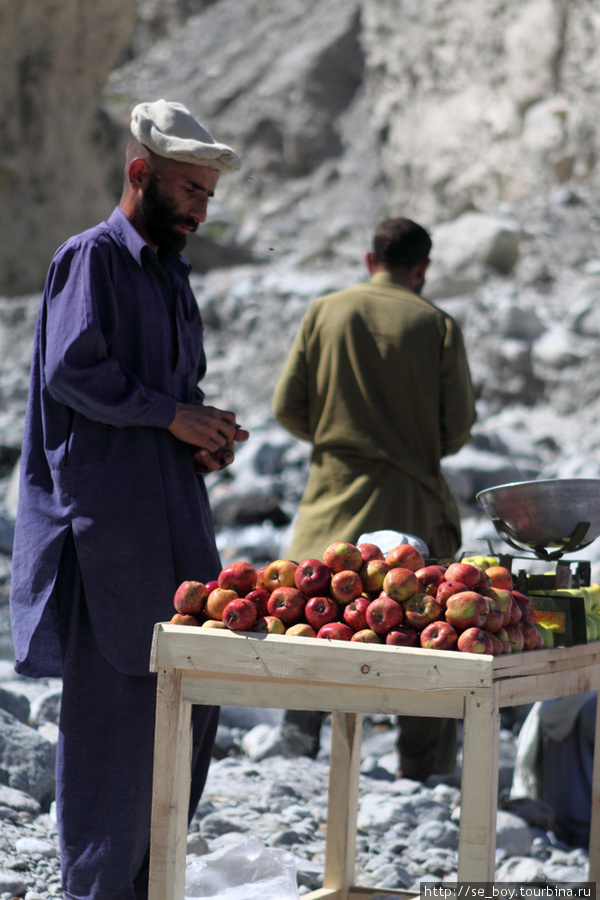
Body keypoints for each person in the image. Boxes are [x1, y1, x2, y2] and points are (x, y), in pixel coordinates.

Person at [9, 99, 248, 900]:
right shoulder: (92, 259)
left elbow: (168, 391)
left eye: (208, 197)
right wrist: (169, 415)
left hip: (176, 524)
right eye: (188, 190)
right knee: (116, 722)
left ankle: (152, 883)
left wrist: (199, 433)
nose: (198, 209)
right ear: (140, 174)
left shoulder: (172, 276)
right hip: (110, 533)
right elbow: (74, 372)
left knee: (191, 704)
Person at [271, 217, 476, 780]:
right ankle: (421, 766)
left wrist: (341, 440)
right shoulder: (436, 324)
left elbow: (287, 407)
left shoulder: (325, 311)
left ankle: (297, 748)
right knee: (420, 631)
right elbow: (456, 429)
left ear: (370, 261)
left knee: (310, 618)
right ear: (421, 271)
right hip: (412, 507)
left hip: (331, 504)